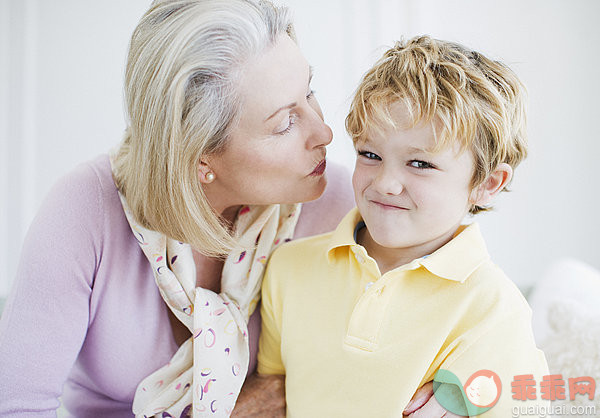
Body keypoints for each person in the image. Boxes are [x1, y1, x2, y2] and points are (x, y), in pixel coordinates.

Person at [0, 0, 358, 416]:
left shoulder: (338, 206)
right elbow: (17, 405)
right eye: (284, 124)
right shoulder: (84, 211)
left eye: (309, 91)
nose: (326, 132)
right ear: (200, 155)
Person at [258, 35, 550, 417]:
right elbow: (270, 400)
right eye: (370, 154)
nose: (384, 183)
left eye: (420, 164)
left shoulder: (493, 310)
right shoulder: (288, 268)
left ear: (486, 184)